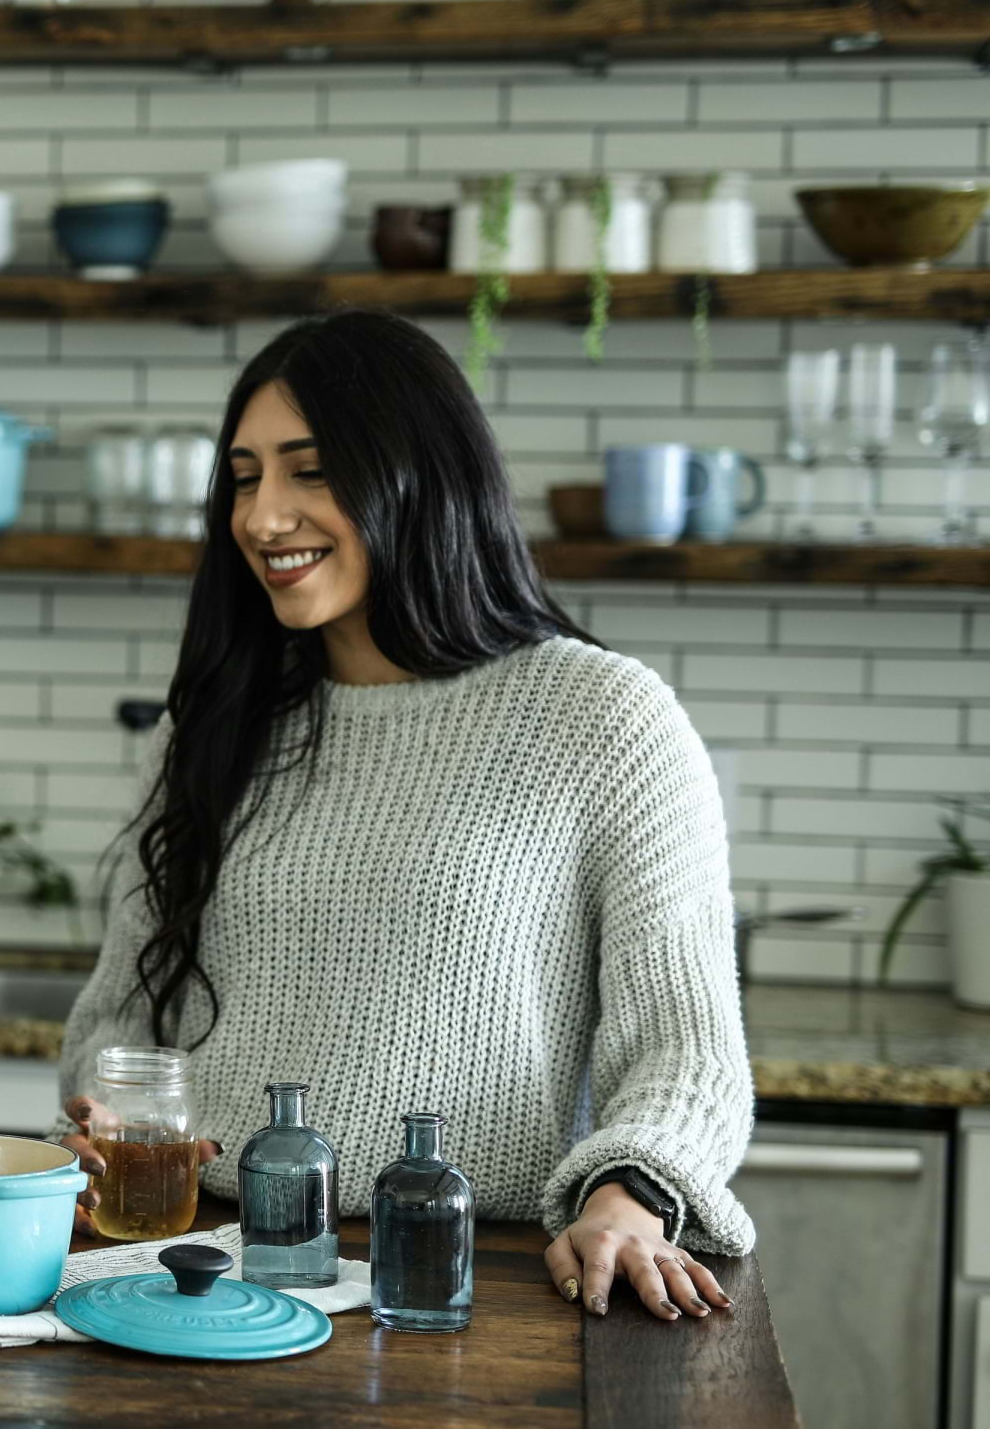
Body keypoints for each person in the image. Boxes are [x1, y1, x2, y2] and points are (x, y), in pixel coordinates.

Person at [57, 309, 754, 1323]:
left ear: (420, 477)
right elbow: (120, 1018)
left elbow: (686, 1051)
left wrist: (629, 1197)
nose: (263, 517)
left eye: (311, 470)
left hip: (469, 1282)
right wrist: (106, 1113)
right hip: (205, 1275)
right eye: (246, 478)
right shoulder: (217, 726)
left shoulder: (603, 716)